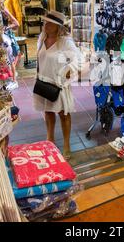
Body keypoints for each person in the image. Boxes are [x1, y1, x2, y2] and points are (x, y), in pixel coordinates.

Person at [34, 10, 83, 159]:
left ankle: (67, 145)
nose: (46, 25)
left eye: (50, 23)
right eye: (45, 22)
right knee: (48, 112)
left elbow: (78, 60)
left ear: (58, 27)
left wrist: (68, 71)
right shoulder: (41, 39)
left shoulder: (65, 43)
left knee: (63, 114)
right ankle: (50, 140)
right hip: (43, 82)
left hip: (58, 84)